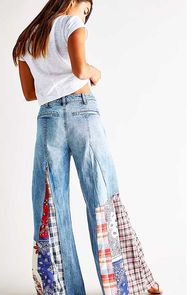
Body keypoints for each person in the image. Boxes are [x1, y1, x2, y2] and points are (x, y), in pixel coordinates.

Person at [12, 1, 163, 294]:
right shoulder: (71, 24)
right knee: (102, 197)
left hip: (48, 119)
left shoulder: (27, 38)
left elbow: (30, 94)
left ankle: (63, 290)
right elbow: (81, 69)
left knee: (51, 207)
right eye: (85, 9)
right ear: (71, 2)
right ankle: (124, 285)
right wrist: (96, 73)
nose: (85, 16)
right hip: (83, 112)